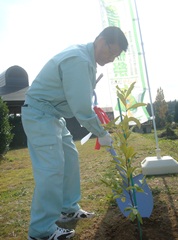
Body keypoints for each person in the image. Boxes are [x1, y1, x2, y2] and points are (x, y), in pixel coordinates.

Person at [22, 26, 128, 240]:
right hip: (40, 113)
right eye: (110, 52)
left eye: (115, 56)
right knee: (51, 169)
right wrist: (101, 133)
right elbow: (80, 108)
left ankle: (68, 207)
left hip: (54, 116)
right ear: (99, 39)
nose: (110, 58)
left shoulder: (87, 61)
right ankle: (41, 230)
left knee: (70, 158)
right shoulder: (79, 60)